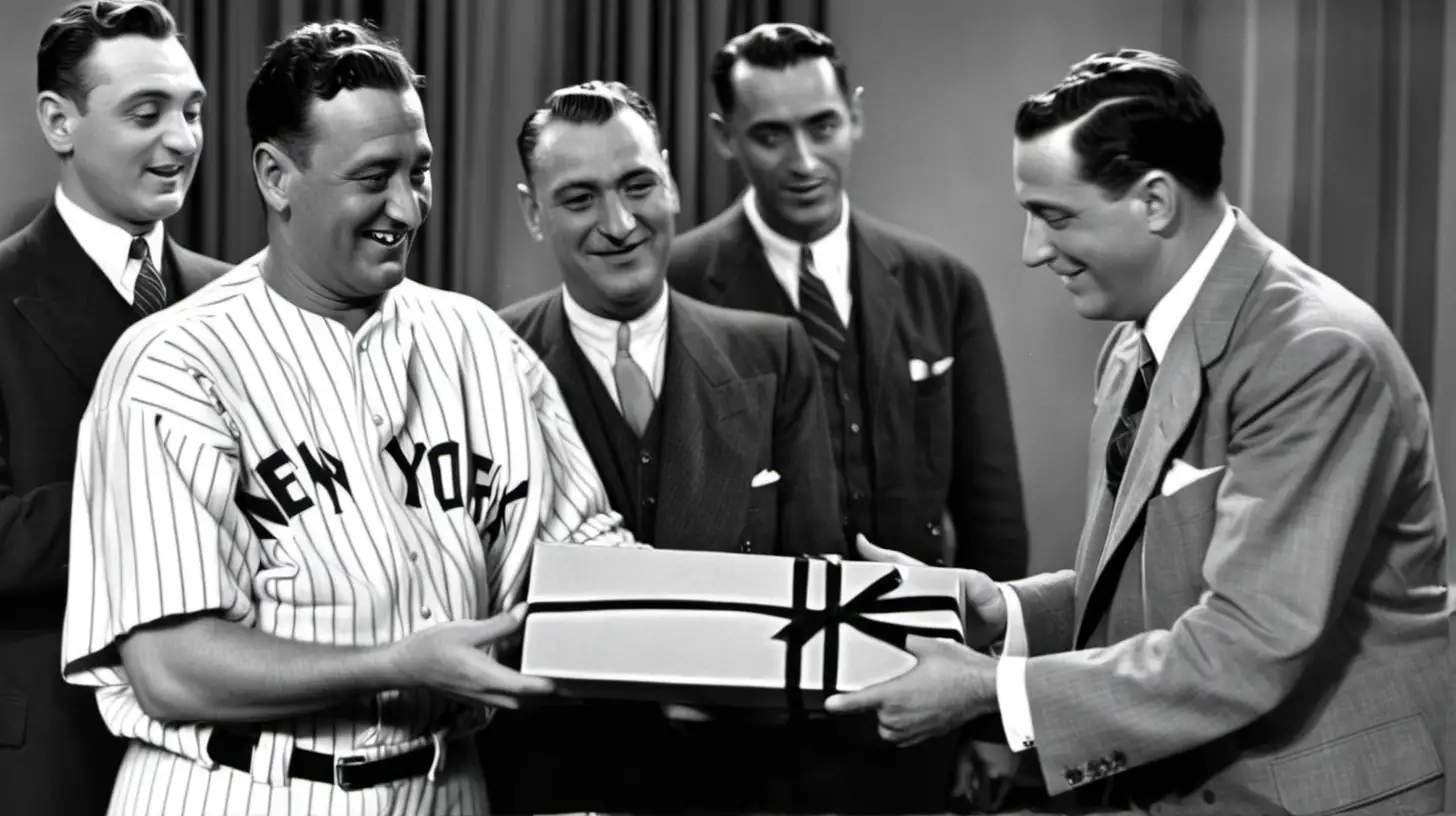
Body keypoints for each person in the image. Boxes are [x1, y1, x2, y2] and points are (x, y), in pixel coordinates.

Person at [828, 48, 1451, 816]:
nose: (1031, 251)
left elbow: (1246, 646)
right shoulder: (1133, 342)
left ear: (1155, 201)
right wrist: (1005, 610)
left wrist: (993, 691)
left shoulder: (1315, 355)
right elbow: (1154, 589)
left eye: (1055, 216)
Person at [59, 20, 627, 815]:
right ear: (276, 176)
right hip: (240, 791)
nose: (406, 205)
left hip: (446, 785)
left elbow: (594, 569)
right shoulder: (174, 363)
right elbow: (171, 668)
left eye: (419, 170)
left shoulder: (481, 344)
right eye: (372, 176)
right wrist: (399, 663)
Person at [668, 22, 1031, 810]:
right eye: (770, 135)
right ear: (725, 137)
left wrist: (991, 716)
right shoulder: (679, 284)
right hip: (738, 726)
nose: (802, 161)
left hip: (913, 702)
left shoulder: (941, 284)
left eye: (821, 127)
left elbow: (990, 506)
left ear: (855, 116)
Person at [483, 79, 845, 813]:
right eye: (579, 198)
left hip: (743, 783)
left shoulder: (774, 353)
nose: (619, 223)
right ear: (532, 212)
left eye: (637, 185)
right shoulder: (483, 357)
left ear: (672, 183)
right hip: (549, 781)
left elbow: (817, 581)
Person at [0, 3, 229, 813]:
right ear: (59, 122)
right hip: (54, 764)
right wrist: (174, 502)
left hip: (226, 764)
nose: (182, 140)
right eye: (146, 112)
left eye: (193, 112)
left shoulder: (242, 300)